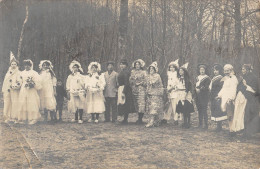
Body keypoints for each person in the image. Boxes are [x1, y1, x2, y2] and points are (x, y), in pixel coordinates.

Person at [230, 64, 259, 138]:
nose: (242, 71)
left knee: (247, 116)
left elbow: (255, 91)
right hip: (240, 98)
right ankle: (238, 130)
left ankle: (247, 133)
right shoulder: (243, 77)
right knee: (239, 114)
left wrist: (246, 86)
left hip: (249, 99)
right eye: (242, 69)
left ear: (248, 70)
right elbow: (239, 87)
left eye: (244, 69)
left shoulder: (254, 78)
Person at [216, 64, 238, 136]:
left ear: (231, 70)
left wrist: (231, 98)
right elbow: (224, 88)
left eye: (228, 71)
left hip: (231, 98)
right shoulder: (226, 78)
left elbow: (233, 89)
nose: (226, 72)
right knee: (229, 115)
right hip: (225, 97)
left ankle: (233, 130)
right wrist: (219, 95)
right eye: (225, 71)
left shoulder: (233, 78)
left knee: (231, 114)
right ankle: (231, 129)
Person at [18, 59, 42, 124]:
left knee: (32, 103)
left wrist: (32, 84)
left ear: (30, 66)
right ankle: (24, 118)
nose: (27, 66)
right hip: (24, 88)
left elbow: (38, 81)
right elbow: (19, 81)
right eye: (25, 65)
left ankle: (33, 118)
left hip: (31, 90)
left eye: (28, 65)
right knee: (23, 102)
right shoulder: (22, 73)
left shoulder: (34, 73)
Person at [2, 52, 22, 123]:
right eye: (12, 64)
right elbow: (5, 82)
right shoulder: (8, 72)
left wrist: (14, 86)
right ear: (10, 65)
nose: (13, 65)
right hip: (7, 90)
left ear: (17, 65)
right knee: (7, 103)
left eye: (15, 64)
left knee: (15, 103)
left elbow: (19, 82)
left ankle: (14, 117)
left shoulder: (18, 72)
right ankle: (7, 117)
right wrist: (3, 90)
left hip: (14, 90)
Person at [145, 62, 164, 127]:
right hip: (150, 93)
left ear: (155, 70)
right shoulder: (148, 76)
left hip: (156, 94)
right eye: (150, 69)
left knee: (154, 107)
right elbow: (147, 85)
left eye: (152, 69)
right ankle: (152, 121)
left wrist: (148, 79)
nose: (151, 70)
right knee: (150, 107)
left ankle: (153, 121)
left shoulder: (157, 76)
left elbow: (152, 82)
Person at [161, 59, 180, 125]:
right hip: (168, 92)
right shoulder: (168, 74)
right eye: (170, 67)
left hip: (175, 92)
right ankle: (166, 118)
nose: (172, 68)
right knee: (168, 106)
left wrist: (173, 88)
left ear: (175, 68)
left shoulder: (177, 75)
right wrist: (167, 89)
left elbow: (178, 84)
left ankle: (176, 119)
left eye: (173, 67)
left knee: (175, 106)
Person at [176, 63, 194, 128]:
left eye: (182, 71)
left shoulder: (187, 80)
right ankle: (184, 122)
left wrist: (185, 95)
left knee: (187, 109)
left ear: (184, 72)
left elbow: (188, 88)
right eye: (179, 71)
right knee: (183, 109)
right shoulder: (179, 79)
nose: (180, 72)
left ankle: (188, 123)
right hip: (180, 94)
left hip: (186, 95)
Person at [129, 59, 147, 124]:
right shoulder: (132, 72)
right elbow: (130, 80)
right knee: (136, 104)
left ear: (141, 65)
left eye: (138, 64)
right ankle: (138, 117)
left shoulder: (143, 72)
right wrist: (133, 83)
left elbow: (146, 81)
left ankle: (140, 118)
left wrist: (140, 83)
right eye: (136, 64)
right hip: (134, 89)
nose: (137, 66)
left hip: (141, 89)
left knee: (141, 104)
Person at [117, 59, 135, 124]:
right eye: (121, 64)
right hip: (121, 87)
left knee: (125, 103)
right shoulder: (121, 71)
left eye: (123, 64)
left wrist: (123, 92)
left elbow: (126, 83)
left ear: (126, 65)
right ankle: (124, 118)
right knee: (122, 103)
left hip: (125, 88)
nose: (121, 66)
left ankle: (125, 119)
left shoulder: (126, 72)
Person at [195, 64, 211, 129]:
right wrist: (195, 89)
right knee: (199, 109)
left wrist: (200, 89)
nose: (202, 71)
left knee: (204, 109)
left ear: (205, 70)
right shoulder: (197, 77)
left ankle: (206, 125)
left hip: (204, 95)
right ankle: (200, 124)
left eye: (203, 69)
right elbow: (195, 85)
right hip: (197, 95)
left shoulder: (207, 78)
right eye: (200, 70)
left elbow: (207, 87)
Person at [209, 64, 225, 132]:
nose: (215, 71)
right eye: (214, 70)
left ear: (219, 71)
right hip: (213, 96)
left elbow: (221, 88)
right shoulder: (213, 78)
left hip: (218, 96)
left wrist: (218, 95)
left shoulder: (221, 78)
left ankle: (219, 126)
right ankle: (217, 126)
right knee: (215, 110)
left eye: (216, 70)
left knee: (218, 111)